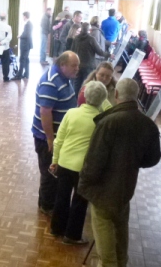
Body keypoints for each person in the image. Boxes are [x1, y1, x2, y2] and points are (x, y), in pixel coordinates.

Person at [78, 78, 161, 267]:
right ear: (138, 95)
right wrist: (132, 162)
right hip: (125, 191)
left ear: (115, 95)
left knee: (106, 256)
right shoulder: (147, 124)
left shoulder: (108, 122)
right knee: (121, 245)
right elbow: (153, 159)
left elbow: (93, 163)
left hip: (102, 194)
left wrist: (84, 185)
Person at [49, 81, 108, 245]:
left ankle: (56, 228)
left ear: (85, 96)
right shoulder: (102, 120)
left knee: (61, 196)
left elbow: (58, 140)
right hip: (85, 168)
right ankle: (72, 235)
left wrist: (55, 161)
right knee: (80, 202)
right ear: (103, 99)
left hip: (64, 162)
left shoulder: (71, 113)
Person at [31, 51, 79, 216]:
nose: (77, 69)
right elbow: (45, 112)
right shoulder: (51, 82)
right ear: (62, 65)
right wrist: (51, 138)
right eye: (74, 65)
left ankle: (45, 202)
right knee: (49, 173)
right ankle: (47, 206)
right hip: (46, 139)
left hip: (57, 137)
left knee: (52, 172)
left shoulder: (63, 78)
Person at [71, 22, 112, 98]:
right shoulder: (91, 39)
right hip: (88, 65)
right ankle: (84, 99)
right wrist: (109, 54)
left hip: (78, 65)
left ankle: (75, 100)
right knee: (87, 84)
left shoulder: (76, 39)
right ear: (89, 30)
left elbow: (72, 51)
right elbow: (99, 51)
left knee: (76, 84)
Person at [13, 12, 33, 80]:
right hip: (27, 44)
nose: (22, 18)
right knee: (26, 59)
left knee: (22, 59)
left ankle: (19, 75)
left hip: (25, 44)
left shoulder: (28, 24)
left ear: (25, 16)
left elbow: (26, 35)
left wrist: (20, 36)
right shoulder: (28, 24)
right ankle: (26, 74)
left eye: (23, 16)